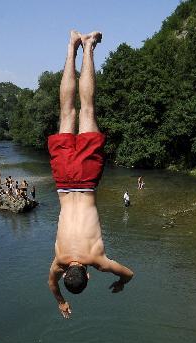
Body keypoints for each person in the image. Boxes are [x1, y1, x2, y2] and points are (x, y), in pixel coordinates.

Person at [47, 30, 134, 319]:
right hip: (62, 181)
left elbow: (129, 274)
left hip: (85, 181)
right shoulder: (57, 262)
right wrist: (59, 300)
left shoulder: (97, 260)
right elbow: (50, 284)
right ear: (66, 273)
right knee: (67, 112)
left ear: (89, 276)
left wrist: (121, 282)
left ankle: (88, 47)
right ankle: (72, 44)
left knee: (87, 110)